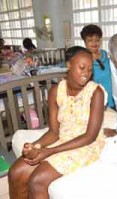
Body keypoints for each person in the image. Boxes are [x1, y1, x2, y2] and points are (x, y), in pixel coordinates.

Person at [8, 46, 107, 199]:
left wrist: (51, 151)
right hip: (63, 138)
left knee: (37, 181)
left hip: (85, 145)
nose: (86, 73)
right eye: (82, 68)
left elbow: (90, 136)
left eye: (89, 69)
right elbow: (54, 131)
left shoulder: (96, 92)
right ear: (68, 65)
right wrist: (36, 146)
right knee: (16, 172)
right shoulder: (56, 91)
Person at [81, 24, 115, 109]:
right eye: (90, 40)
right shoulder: (82, 60)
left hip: (113, 100)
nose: (94, 43)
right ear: (85, 42)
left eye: (97, 40)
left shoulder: (106, 55)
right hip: (95, 103)